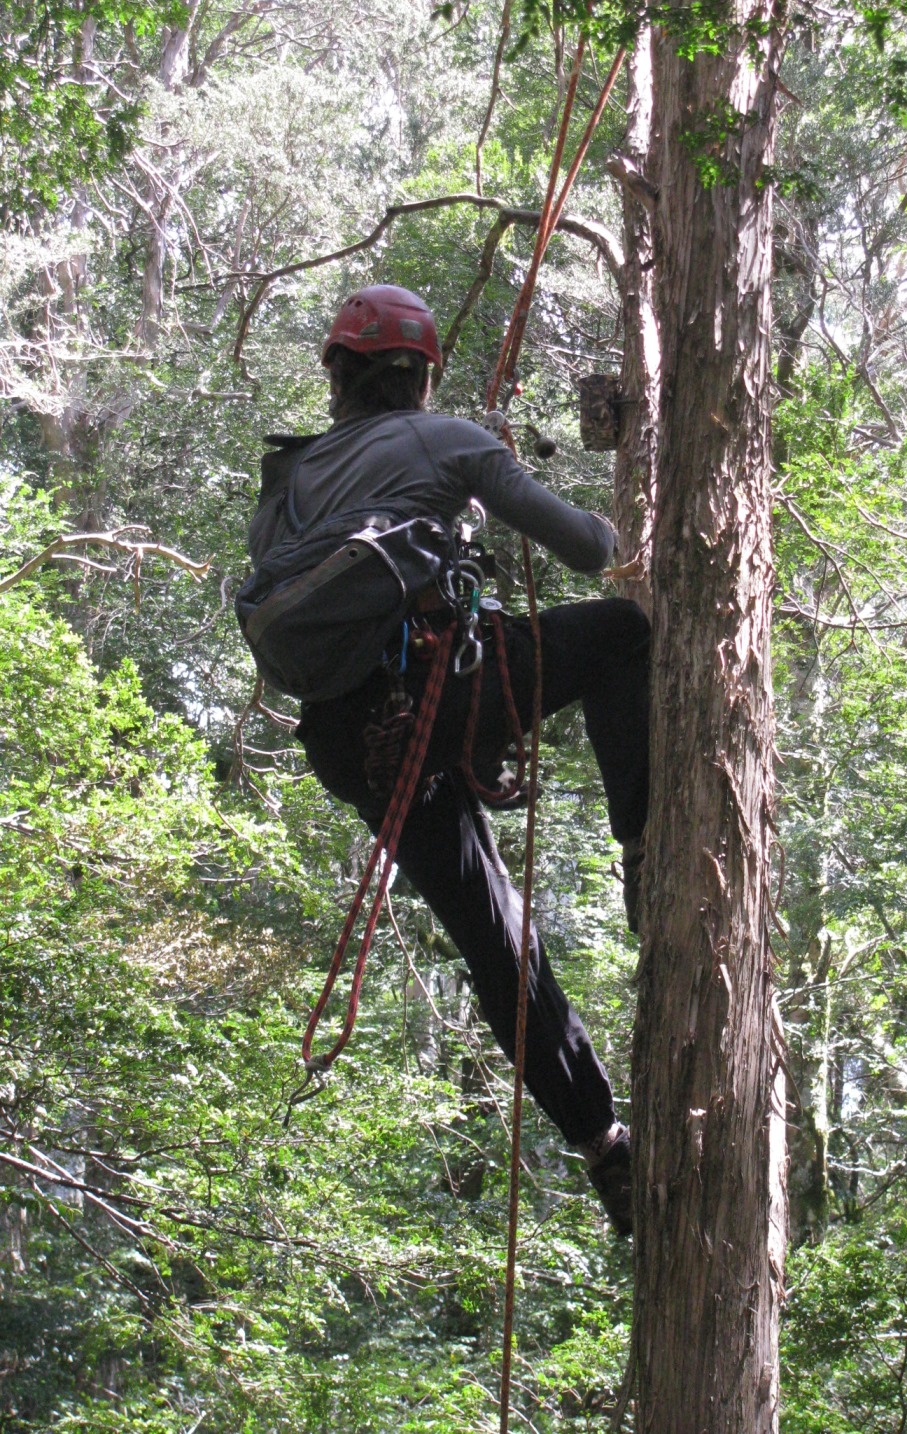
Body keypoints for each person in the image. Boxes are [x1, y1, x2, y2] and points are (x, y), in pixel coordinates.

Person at [254, 285, 648, 1235]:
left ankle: (603, 1147)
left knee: (493, 934)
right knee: (623, 634)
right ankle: (643, 847)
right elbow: (591, 549)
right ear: (423, 374)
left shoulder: (288, 480)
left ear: (337, 373)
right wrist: (488, 472)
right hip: (435, 685)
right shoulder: (446, 440)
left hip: (350, 742)